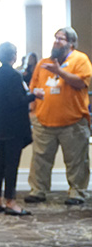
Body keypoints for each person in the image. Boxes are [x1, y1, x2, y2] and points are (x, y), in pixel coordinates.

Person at [25, 27, 92, 206]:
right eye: (55, 38)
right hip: (44, 122)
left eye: (61, 39)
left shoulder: (80, 59)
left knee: (77, 161)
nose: (56, 41)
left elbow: (81, 83)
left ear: (71, 43)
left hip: (73, 122)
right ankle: (38, 190)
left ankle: (77, 192)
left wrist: (59, 71)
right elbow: (33, 87)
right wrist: (33, 112)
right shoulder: (43, 63)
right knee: (40, 160)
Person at [0, 42, 41, 216]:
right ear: (14, 56)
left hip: (0, 127)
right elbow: (16, 101)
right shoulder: (13, 75)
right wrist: (34, 95)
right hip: (13, 128)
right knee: (12, 165)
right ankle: (11, 202)